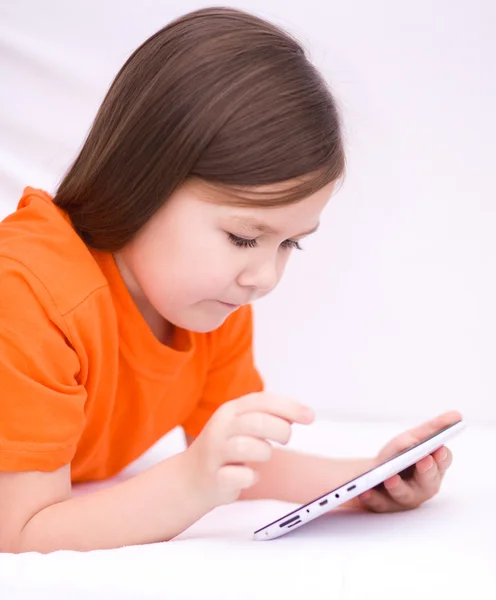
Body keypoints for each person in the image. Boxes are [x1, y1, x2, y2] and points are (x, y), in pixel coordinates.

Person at [0, 7, 460, 553]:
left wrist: (366, 479)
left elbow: (236, 463)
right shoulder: (28, 293)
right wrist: (188, 484)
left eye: (290, 243)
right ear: (140, 178)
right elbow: (20, 530)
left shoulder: (207, 302)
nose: (264, 277)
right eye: (245, 237)